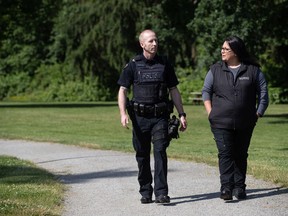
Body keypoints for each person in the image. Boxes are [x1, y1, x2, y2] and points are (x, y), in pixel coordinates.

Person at [117, 29, 187, 204]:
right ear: (142, 44)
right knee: (142, 155)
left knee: (160, 151)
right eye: (150, 41)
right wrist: (123, 113)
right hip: (139, 118)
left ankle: (161, 192)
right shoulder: (133, 64)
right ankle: (145, 191)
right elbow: (123, 90)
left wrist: (182, 113)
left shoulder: (164, 64)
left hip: (160, 117)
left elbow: (174, 90)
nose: (154, 44)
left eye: (156, 40)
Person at [202, 36, 269, 201]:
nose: (222, 51)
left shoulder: (253, 71)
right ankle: (226, 187)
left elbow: (264, 94)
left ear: (236, 52)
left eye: (226, 49)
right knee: (225, 153)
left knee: (240, 154)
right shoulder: (215, 69)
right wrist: (210, 112)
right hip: (220, 122)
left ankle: (239, 188)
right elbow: (206, 92)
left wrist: (257, 114)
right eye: (222, 48)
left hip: (245, 122)